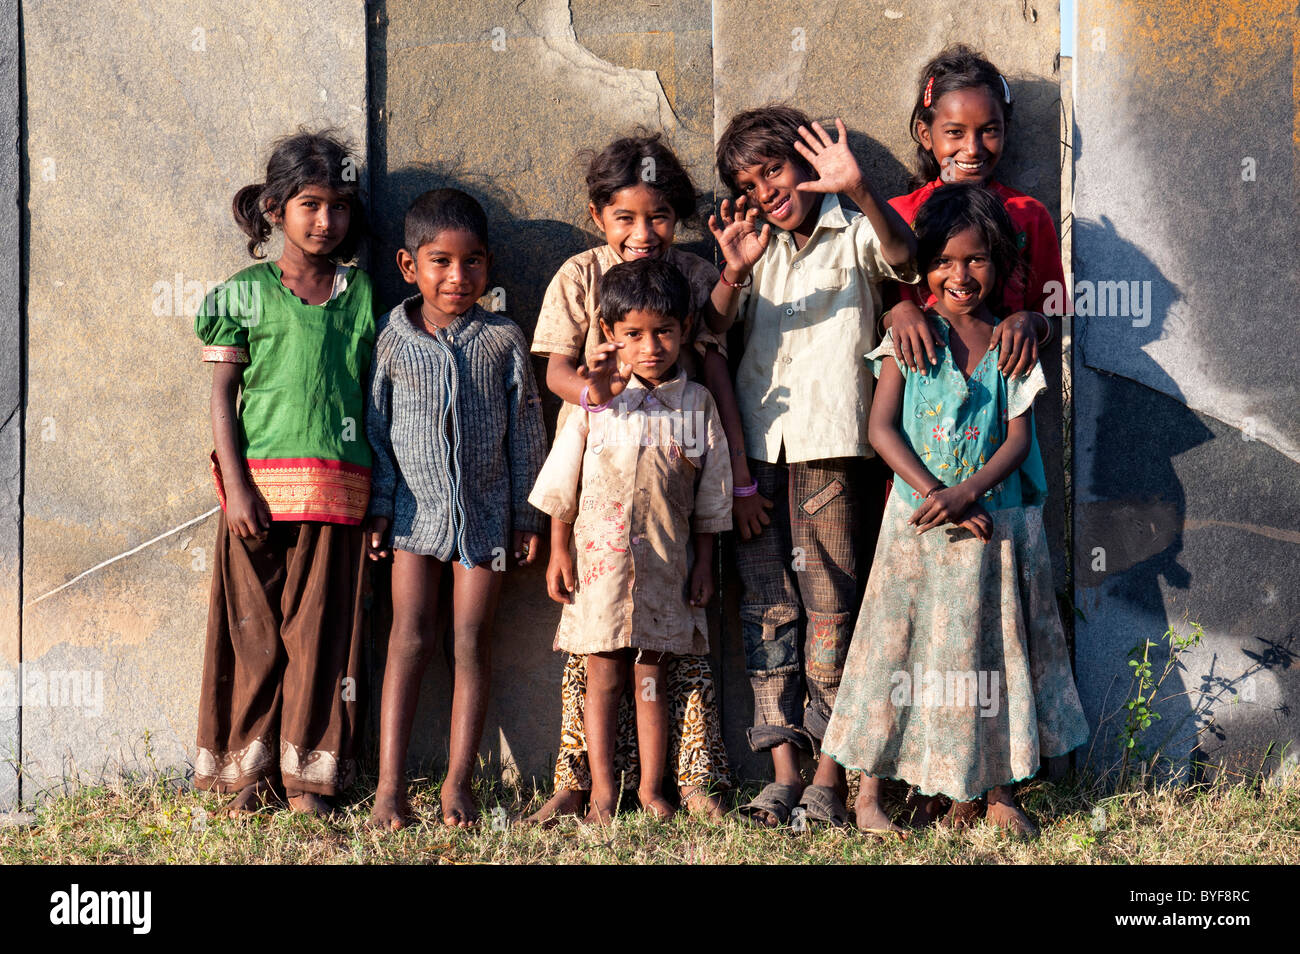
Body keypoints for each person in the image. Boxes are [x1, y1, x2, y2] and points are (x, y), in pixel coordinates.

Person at [821, 183, 1090, 838]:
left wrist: (966, 494)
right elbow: (882, 429)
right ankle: (867, 797)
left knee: (990, 658)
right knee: (894, 653)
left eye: (975, 260)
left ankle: (997, 792)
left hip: (992, 529)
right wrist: (935, 492)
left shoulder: (1010, 346)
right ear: (922, 268)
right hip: (915, 530)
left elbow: (1019, 438)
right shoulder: (909, 339)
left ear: (998, 262)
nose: (960, 275)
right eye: (943, 262)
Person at [528, 133, 750, 822]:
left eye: (658, 217)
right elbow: (556, 369)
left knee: (665, 662)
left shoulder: (688, 274)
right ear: (599, 217)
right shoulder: (578, 276)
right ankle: (588, 785)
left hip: (669, 507)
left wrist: (733, 275)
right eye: (625, 218)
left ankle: (678, 785)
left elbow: (708, 334)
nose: (643, 233)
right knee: (594, 660)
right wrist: (591, 392)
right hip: (598, 482)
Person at [708, 105, 917, 826]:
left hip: (831, 452)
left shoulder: (853, 231)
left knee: (832, 610)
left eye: (776, 169)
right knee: (769, 611)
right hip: (759, 457)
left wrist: (858, 190)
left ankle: (832, 771)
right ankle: (784, 771)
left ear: (807, 163)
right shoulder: (751, 246)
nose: (768, 189)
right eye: (751, 181)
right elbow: (708, 332)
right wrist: (733, 272)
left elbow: (905, 259)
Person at [193, 129, 376, 817]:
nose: (325, 221)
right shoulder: (243, 295)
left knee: (322, 637)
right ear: (274, 209)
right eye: (309, 204)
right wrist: (235, 487)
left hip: (340, 497)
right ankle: (247, 775)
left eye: (338, 206)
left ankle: (311, 781)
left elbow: (375, 402)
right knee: (253, 634)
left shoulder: (362, 296)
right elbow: (222, 402)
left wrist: (381, 502)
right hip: (256, 499)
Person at [365, 189, 548, 829]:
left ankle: (457, 782)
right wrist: (382, 507)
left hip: (488, 519)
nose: (457, 277)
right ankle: (390, 788)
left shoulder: (502, 338)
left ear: (488, 266)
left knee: (471, 641)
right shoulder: (393, 338)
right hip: (413, 522)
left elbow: (527, 429)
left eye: (472, 262)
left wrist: (529, 516)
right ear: (408, 264)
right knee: (407, 638)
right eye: (440, 261)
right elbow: (377, 431)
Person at [885, 44, 1066, 379]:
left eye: (989, 130)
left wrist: (1030, 322)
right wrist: (899, 310)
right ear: (926, 135)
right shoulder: (897, 216)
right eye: (955, 132)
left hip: (1003, 403)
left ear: (1005, 131)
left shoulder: (1028, 215)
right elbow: (869, 309)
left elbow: (1052, 310)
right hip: (918, 404)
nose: (973, 148)